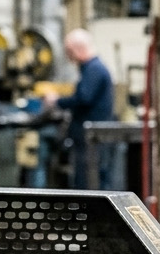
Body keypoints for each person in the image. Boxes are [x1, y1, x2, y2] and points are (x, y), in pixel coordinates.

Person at [45, 28, 114, 189]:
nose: (69, 57)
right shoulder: (91, 69)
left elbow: (84, 97)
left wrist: (57, 101)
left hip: (91, 137)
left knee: (89, 182)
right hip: (87, 137)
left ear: (77, 49)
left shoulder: (94, 69)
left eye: (69, 52)